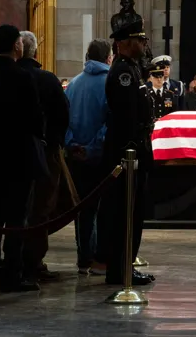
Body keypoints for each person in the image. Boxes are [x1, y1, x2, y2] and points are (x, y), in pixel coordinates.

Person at [0, 24, 45, 292]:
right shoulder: (23, 77)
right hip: (19, 159)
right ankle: (13, 272)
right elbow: (35, 118)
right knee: (17, 218)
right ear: (17, 45)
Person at [99, 19, 155, 286]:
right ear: (124, 44)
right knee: (124, 213)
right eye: (139, 40)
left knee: (132, 211)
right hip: (127, 152)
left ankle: (124, 266)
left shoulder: (132, 69)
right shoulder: (123, 72)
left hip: (135, 149)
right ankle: (120, 269)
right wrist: (134, 148)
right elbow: (127, 116)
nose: (144, 44)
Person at [17, 31, 76, 282]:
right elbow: (63, 115)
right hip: (45, 151)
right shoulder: (47, 79)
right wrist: (55, 144)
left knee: (16, 207)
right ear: (36, 53)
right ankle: (34, 261)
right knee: (41, 207)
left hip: (11, 153)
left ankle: (13, 260)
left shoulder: (9, 76)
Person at [64, 39, 112, 275]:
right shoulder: (109, 83)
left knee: (81, 209)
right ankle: (98, 259)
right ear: (108, 58)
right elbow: (109, 122)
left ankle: (83, 257)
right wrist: (93, 148)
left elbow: (64, 118)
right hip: (99, 157)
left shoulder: (73, 84)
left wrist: (73, 144)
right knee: (101, 210)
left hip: (75, 156)